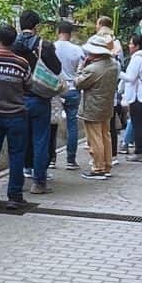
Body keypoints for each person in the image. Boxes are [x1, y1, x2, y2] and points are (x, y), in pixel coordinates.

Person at [0, 24, 32, 210]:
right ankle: (14, 195)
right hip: (16, 113)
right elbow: (28, 85)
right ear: (14, 40)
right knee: (16, 154)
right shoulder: (21, 63)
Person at [12, 10, 59, 195]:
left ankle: (19, 178)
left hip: (17, 98)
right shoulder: (44, 45)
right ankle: (39, 182)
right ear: (36, 26)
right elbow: (56, 68)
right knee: (41, 140)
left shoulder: (13, 45)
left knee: (19, 140)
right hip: (39, 97)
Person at [75, 37, 119, 179]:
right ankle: (107, 165)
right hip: (107, 105)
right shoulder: (113, 65)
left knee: (95, 139)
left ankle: (98, 167)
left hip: (93, 107)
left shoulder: (92, 69)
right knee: (106, 136)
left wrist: (81, 67)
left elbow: (78, 83)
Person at [54, 19, 85, 170]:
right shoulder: (77, 50)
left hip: (56, 90)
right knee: (72, 125)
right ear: (71, 33)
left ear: (58, 31)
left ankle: (51, 159)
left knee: (52, 125)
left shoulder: (51, 47)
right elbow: (83, 68)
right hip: (72, 89)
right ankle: (70, 160)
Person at [118, 34, 142, 163]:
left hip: (137, 97)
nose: (129, 45)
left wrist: (118, 72)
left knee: (138, 125)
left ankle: (140, 152)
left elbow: (131, 78)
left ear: (137, 46)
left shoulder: (137, 59)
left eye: (131, 43)